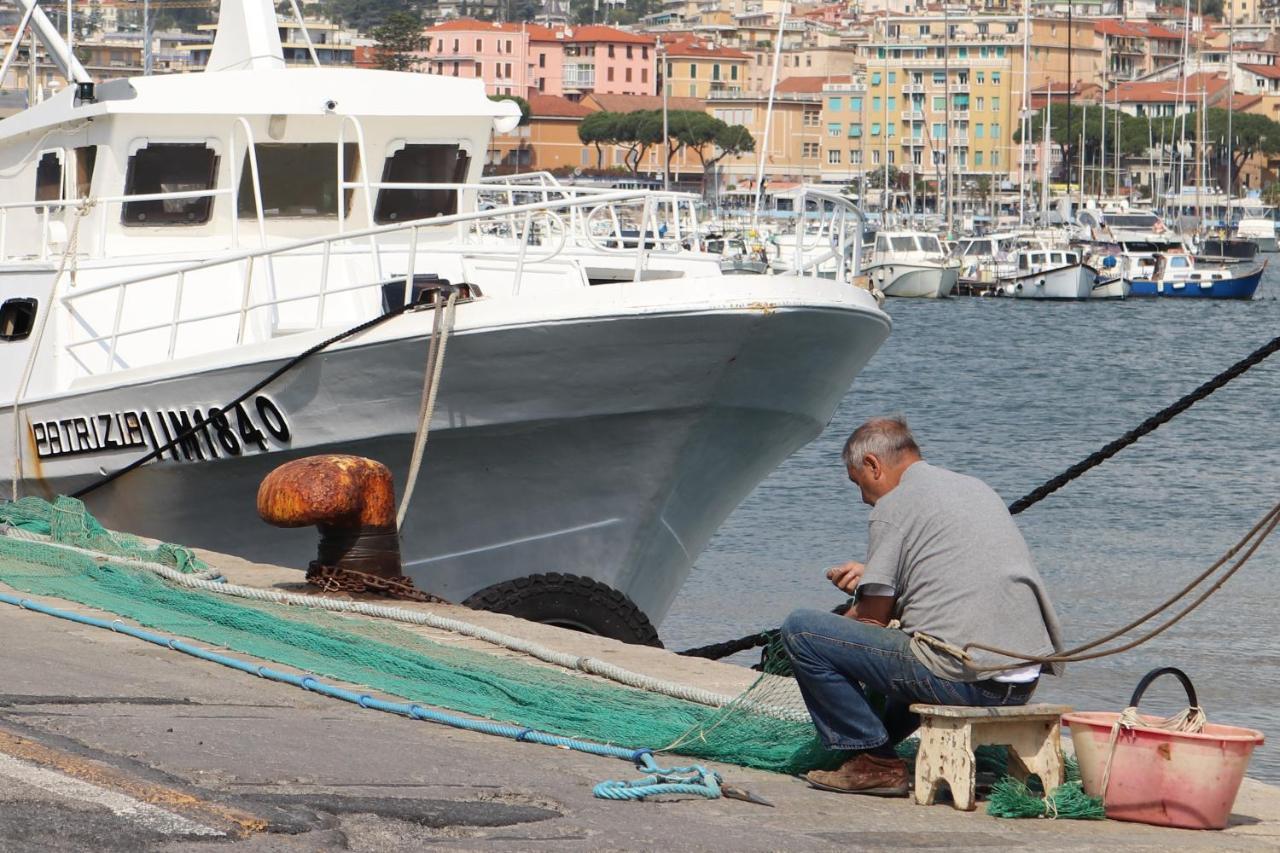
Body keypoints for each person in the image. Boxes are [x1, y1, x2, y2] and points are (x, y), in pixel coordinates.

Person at [781, 416, 1064, 797]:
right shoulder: (974, 488)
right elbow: (952, 570)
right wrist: (875, 577)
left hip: (966, 682)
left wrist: (840, 621)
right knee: (914, 645)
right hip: (1021, 679)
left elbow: (871, 621)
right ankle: (877, 747)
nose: (862, 496)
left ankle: (875, 762)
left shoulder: (893, 506)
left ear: (872, 466)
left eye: (857, 482)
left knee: (802, 630)